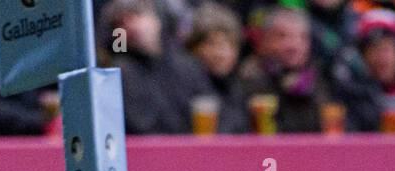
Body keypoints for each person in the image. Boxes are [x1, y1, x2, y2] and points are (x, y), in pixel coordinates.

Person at [101, 0, 215, 134]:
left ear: (156, 20)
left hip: (194, 150)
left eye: (136, 15)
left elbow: (209, 104)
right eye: (120, 23)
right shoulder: (118, 72)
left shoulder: (187, 65)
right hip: (146, 151)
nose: (130, 25)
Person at [238, 6, 339, 133]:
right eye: (282, 36)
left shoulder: (323, 78)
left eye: (302, 37)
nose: (293, 45)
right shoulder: (249, 79)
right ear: (264, 41)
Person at [186, 2, 251, 134]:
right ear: (193, 47)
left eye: (229, 45)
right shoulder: (182, 87)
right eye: (211, 44)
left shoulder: (241, 87)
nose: (220, 54)